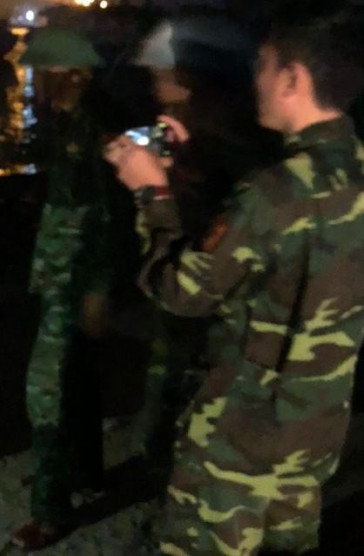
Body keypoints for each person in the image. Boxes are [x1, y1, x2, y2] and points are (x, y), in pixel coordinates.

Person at [105, 3, 364, 554]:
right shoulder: (351, 169)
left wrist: (151, 194)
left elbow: (181, 291)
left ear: (293, 79)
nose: (256, 80)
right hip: (315, 432)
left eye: (263, 66)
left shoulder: (272, 193)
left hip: (241, 442)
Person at [129, 15, 283, 486]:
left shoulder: (228, 144)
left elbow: (193, 274)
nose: (154, 87)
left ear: (191, 80)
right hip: (200, 294)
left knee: (187, 394)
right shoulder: (207, 131)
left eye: (163, 76)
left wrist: (155, 191)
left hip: (208, 297)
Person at [11, 28, 115, 551]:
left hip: (75, 275)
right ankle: (86, 472)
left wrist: (98, 286)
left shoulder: (93, 129)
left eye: (44, 74)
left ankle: (49, 513)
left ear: (70, 74)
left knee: (45, 389)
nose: (37, 83)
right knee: (77, 375)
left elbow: (105, 212)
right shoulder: (69, 123)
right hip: (63, 275)